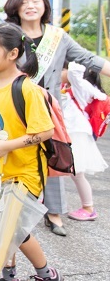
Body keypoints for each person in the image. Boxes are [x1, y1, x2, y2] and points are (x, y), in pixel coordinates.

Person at [0, 0, 110, 236]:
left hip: (44, 109)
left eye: (36, 1)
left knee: (50, 155)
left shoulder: (58, 36)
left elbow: (89, 59)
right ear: (15, 6)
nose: (31, 6)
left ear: (45, 5)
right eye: (24, 2)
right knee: (7, 156)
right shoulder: (6, 34)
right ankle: (2, 208)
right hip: (10, 109)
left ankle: (54, 212)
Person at [0, 23, 61, 281]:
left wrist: (4, 146)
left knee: (13, 229)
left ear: (12, 54)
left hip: (24, 172)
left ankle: (46, 274)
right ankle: (8, 274)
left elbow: (44, 132)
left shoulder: (26, 88)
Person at [60, 62, 108, 221]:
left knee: (76, 173)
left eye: (62, 69)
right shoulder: (71, 86)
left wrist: (71, 53)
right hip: (71, 133)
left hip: (77, 134)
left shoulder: (81, 86)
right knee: (58, 169)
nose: (61, 72)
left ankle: (88, 208)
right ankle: (47, 199)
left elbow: (75, 69)